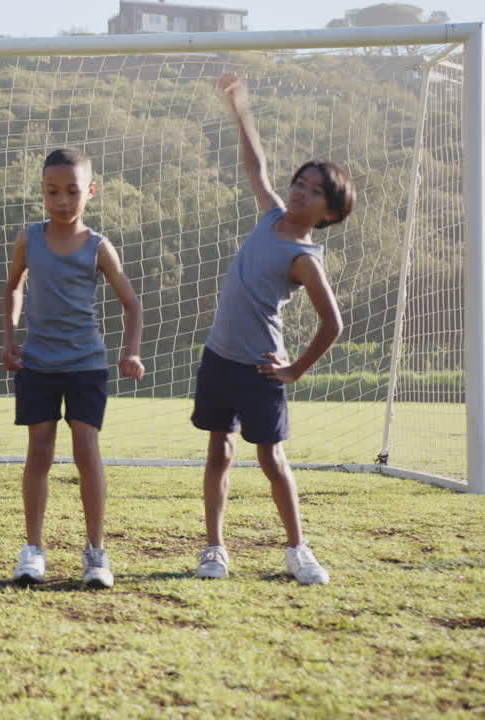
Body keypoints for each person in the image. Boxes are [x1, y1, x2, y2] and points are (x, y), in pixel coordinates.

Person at [192, 72, 356, 585]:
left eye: (314, 192)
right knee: (219, 450)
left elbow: (333, 324)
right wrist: (240, 110)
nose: (299, 193)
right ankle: (215, 549)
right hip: (220, 359)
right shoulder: (268, 216)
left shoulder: (304, 257)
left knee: (272, 458)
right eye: (299, 183)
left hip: (262, 369)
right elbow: (256, 167)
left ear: (329, 213)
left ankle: (297, 549)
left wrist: (294, 370)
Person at [0, 147, 145, 589]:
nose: (62, 201)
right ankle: (33, 551)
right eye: (52, 191)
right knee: (39, 450)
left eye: (72, 191)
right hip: (38, 364)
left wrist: (132, 351)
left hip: (86, 365)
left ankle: (96, 554)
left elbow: (132, 303)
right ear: (42, 192)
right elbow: (13, 289)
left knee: (86, 449)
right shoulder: (29, 238)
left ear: (91, 192)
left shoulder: (99, 247)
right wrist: (10, 338)